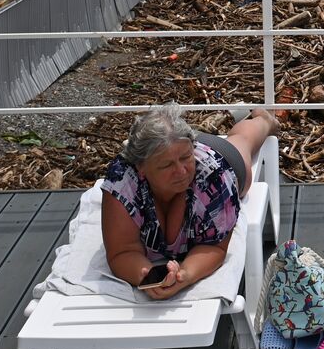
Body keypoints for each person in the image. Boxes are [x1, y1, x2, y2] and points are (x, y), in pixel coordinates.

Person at [100, 104, 279, 299]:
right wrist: (144, 275)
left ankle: (263, 119)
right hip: (174, 146)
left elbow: (215, 246)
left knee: (242, 141)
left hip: (222, 157)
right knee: (224, 144)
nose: (181, 171)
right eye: (167, 165)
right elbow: (122, 251)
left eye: (186, 158)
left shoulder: (214, 175)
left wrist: (184, 275)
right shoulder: (122, 180)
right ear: (141, 168)